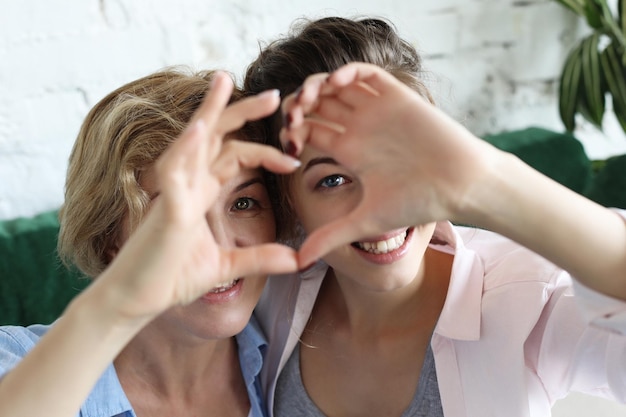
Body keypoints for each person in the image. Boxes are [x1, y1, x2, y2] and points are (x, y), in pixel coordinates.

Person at [244, 16, 626, 416]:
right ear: (289, 203)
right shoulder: (267, 295)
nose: (380, 205)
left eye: (397, 158)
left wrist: (488, 179)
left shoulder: (528, 298)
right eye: (333, 179)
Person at [0, 67, 301, 417]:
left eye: (244, 203)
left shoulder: (294, 350)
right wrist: (119, 301)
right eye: (181, 216)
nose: (219, 244)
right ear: (110, 240)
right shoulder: (14, 360)